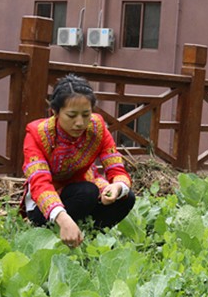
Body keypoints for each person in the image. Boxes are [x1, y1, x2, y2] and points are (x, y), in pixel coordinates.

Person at [21, 74, 135, 248]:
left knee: (125, 197)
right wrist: (63, 218)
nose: (80, 123)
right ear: (55, 112)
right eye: (72, 115)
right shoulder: (37, 134)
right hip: (45, 206)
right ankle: (57, 231)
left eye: (86, 114)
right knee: (87, 192)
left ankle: (88, 236)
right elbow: (39, 183)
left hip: (84, 189)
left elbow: (115, 167)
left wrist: (117, 187)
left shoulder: (97, 128)